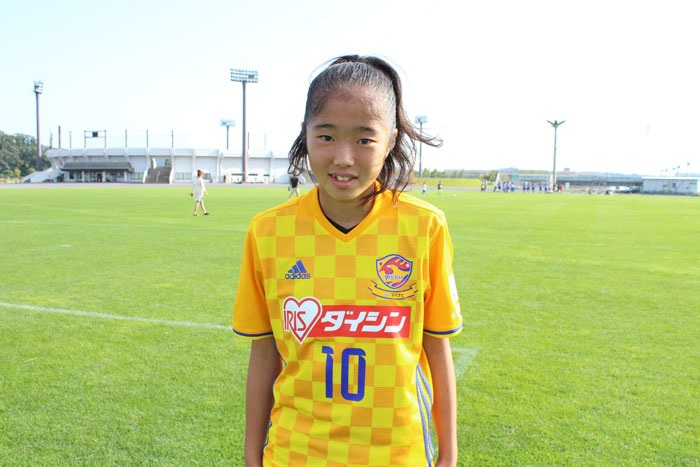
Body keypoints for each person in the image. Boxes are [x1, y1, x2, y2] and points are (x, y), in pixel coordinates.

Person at [233, 55, 462, 467]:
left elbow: (437, 346)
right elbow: (264, 356)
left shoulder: (423, 227)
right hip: (296, 454)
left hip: (398, 454)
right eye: (326, 136)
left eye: (364, 139)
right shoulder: (268, 232)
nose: (343, 157)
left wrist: (448, 455)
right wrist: (252, 457)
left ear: (391, 140)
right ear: (305, 134)